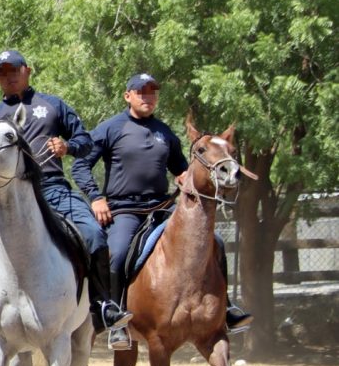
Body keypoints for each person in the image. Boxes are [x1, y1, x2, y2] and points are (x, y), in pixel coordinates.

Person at [0, 50, 132, 349]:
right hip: (7, 196)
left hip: (54, 189)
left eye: (14, 70)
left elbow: (86, 142)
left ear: (27, 71)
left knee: (95, 235)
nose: (9, 76)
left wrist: (67, 146)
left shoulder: (53, 105)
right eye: (2, 72)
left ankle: (104, 308)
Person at [71, 73, 252, 349]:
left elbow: (180, 167)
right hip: (124, 211)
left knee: (215, 242)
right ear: (127, 96)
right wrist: (96, 198)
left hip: (162, 208)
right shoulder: (111, 128)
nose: (147, 97)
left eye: (152, 92)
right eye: (141, 92)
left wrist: (182, 176)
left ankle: (226, 310)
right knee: (117, 253)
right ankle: (116, 321)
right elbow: (80, 166)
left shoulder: (164, 132)